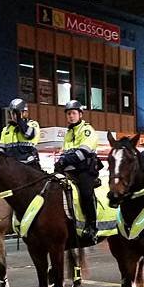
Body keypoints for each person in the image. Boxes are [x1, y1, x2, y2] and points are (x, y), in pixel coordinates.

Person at [55, 100, 100, 242]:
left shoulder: (87, 130)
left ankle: (92, 225)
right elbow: (64, 152)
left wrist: (64, 160)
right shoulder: (68, 133)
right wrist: (60, 163)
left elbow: (82, 154)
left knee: (86, 193)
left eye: (73, 113)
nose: (71, 116)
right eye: (68, 114)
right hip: (69, 172)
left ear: (80, 114)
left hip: (84, 170)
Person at [0, 98, 40, 168]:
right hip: (11, 165)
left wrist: (20, 120)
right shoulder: (6, 129)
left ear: (25, 113)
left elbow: (28, 135)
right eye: (12, 113)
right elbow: (1, 147)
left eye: (16, 113)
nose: (14, 115)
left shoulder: (33, 124)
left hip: (28, 164)